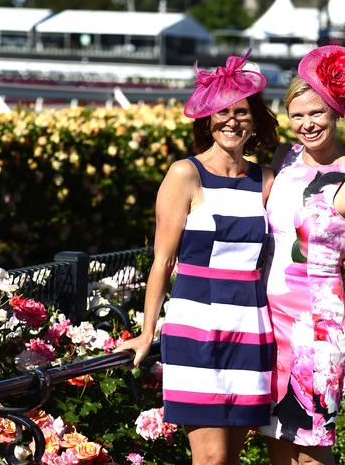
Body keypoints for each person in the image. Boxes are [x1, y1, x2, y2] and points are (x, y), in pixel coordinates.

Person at [117, 50, 279, 465]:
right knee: (208, 460)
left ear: (255, 120)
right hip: (196, 327)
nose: (232, 120)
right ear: (208, 120)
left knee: (230, 460)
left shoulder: (265, 179)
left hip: (251, 327)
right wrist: (147, 330)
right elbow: (162, 262)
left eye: (242, 112)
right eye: (222, 112)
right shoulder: (184, 174)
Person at [260, 45, 345, 464]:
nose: (306, 124)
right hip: (268, 322)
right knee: (277, 443)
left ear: (335, 111)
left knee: (313, 450)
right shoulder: (284, 159)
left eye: (316, 113)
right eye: (297, 115)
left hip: (318, 331)